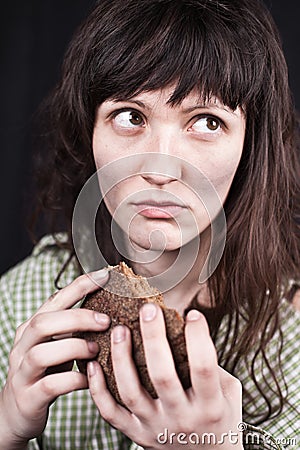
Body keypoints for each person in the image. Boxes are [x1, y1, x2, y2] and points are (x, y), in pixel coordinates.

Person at [0, 0, 299, 449]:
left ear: (250, 149)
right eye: (131, 117)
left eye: (206, 121)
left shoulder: (291, 341)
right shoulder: (21, 301)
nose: (161, 169)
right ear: (90, 132)